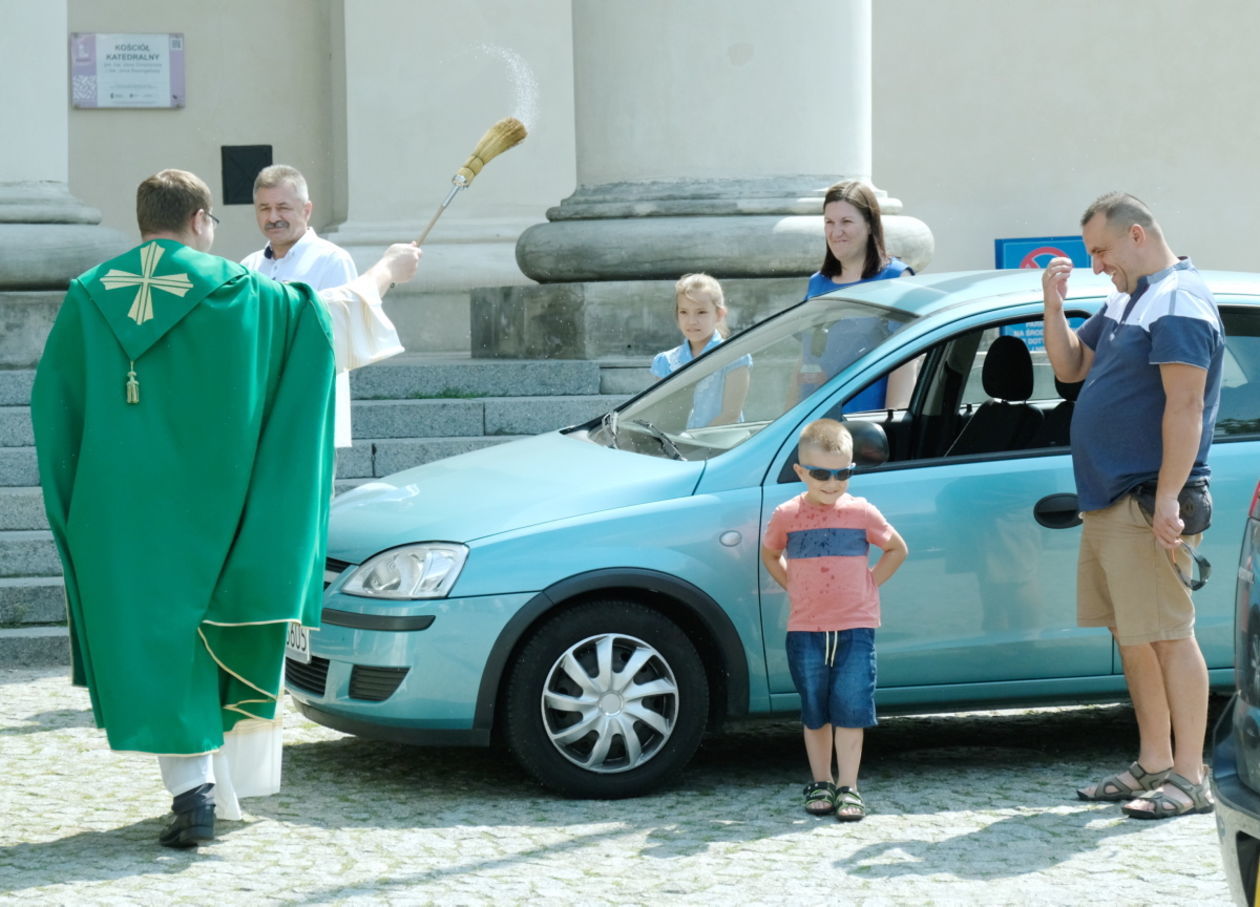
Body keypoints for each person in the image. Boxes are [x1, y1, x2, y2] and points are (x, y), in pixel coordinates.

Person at [30, 169, 422, 848]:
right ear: (201, 221)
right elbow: (322, 323)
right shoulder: (234, 293)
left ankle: (196, 794)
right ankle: (203, 793)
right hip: (216, 510)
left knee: (156, 646)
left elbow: (52, 410)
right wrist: (387, 270)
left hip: (119, 516)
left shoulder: (89, 297)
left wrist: (76, 507)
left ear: (143, 219)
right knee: (206, 636)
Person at [1043, 192, 1223, 820]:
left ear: (1138, 235)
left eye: (1102, 251)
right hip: (1110, 499)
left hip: (1147, 501)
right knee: (1135, 637)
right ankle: (1153, 763)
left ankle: (1191, 776)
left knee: (1170, 637)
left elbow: (1186, 407)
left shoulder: (1179, 300)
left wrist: (1169, 499)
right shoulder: (1128, 297)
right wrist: (1054, 305)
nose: (1096, 265)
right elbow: (1071, 368)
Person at [761, 418, 908, 821]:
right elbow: (770, 554)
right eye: (822, 473)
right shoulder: (787, 514)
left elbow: (896, 549)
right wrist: (793, 583)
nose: (832, 482)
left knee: (851, 708)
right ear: (801, 472)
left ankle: (849, 786)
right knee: (815, 709)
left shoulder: (861, 511)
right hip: (805, 628)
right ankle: (821, 781)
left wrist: (868, 584)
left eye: (842, 473)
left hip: (855, 627)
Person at [243, 164, 375, 447]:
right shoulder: (249, 267)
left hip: (314, 412)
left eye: (283, 207)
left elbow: (340, 337)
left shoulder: (331, 261)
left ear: (306, 210)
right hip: (264, 414)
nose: (273, 217)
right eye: (264, 208)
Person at [797, 180, 915, 411]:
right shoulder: (817, 284)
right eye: (829, 222)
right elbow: (803, 359)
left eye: (846, 221)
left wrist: (894, 428)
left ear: (870, 225)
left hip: (867, 426)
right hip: (816, 425)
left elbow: (906, 364)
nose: (836, 231)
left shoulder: (896, 279)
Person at [650, 273, 750, 428]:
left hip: (722, 444)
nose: (691, 321)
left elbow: (731, 414)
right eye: (684, 312)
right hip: (675, 446)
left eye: (701, 312)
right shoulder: (665, 361)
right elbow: (660, 413)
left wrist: (694, 443)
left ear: (719, 314)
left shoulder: (734, 357)